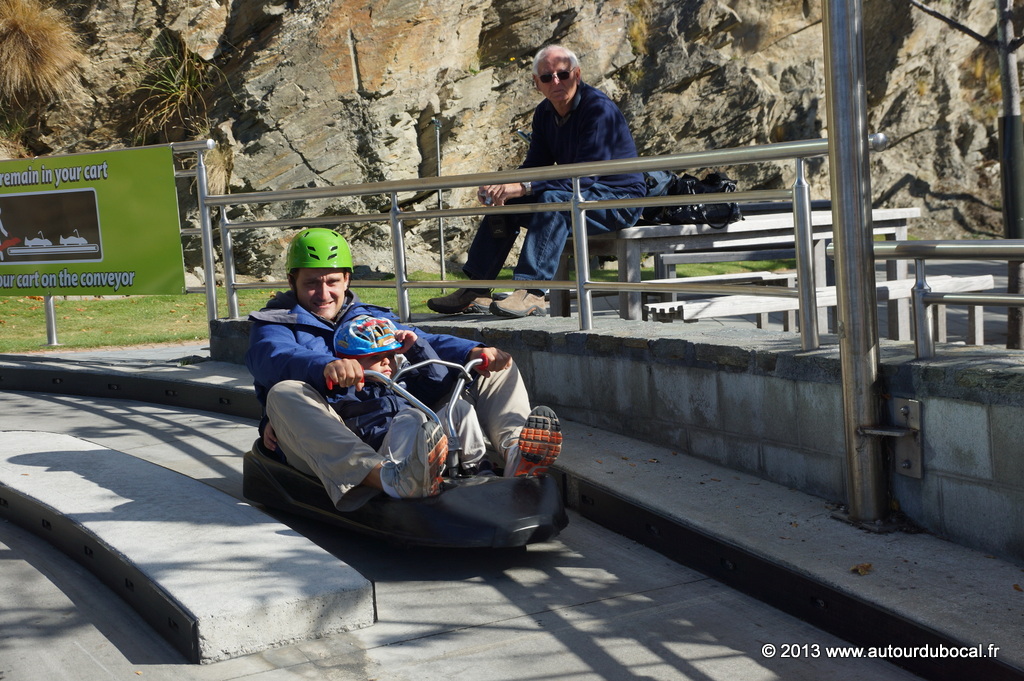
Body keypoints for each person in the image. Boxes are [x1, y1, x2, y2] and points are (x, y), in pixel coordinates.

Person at [245, 227, 562, 510]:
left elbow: (423, 339)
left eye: (332, 282)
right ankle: (387, 477)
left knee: (494, 365)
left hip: (393, 417)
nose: (324, 293)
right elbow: (273, 357)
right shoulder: (275, 323)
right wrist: (327, 365)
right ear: (292, 282)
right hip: (335, 429)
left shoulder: (368, 317)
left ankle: (517, 456)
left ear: (347, 280)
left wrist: (473, 351)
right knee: (284, 392)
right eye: (312, 283)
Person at [427, 44, 647, 318]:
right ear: (537, 83)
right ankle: (477, 289)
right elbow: (535, 167)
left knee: (553, 201)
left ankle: (532, 292)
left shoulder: (598, 110)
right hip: (579, 194)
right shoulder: (544, 113)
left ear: (577, 75)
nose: (556, 82)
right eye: (546, 77)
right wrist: (502, 187)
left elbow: (585, 176)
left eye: (563, 74)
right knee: (507, 204)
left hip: (620, 200)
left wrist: (523, 187)